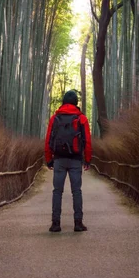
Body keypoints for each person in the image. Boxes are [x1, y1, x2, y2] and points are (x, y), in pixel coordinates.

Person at [44, 89, 92, 233]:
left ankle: (55, 224)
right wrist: (87, 160)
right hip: (76, 160)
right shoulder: (81, 118)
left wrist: (49, 159)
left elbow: (48, 140)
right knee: (76, 191)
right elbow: (88, 141)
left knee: (57, 191)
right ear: (76, 103)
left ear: (63, 102)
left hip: (59, 159)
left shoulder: (55, 118)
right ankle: (78, 223)